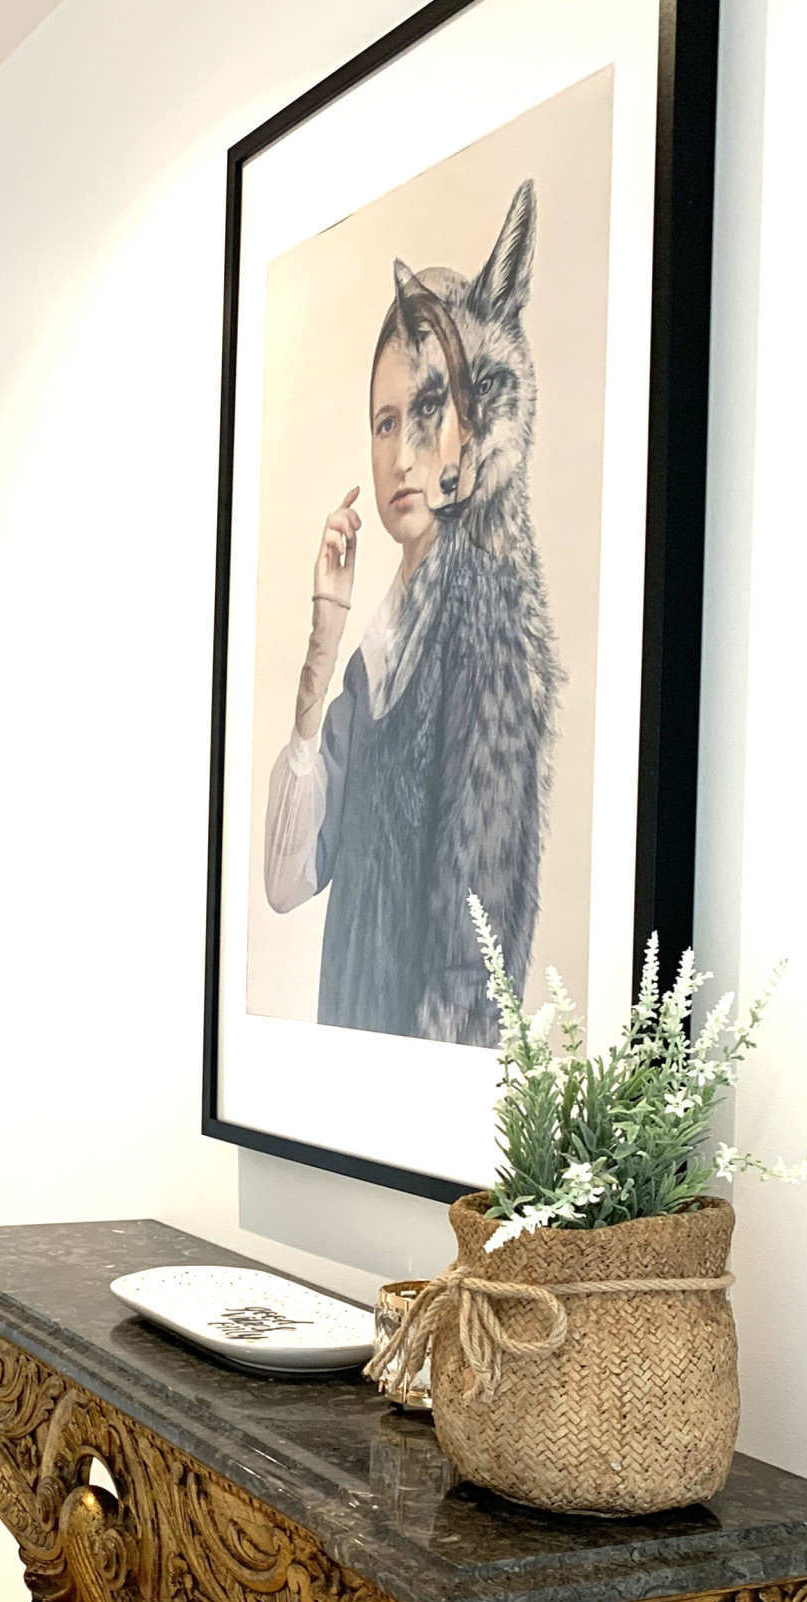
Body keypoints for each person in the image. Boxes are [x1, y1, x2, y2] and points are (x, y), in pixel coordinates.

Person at [261, 258, 556, 1046]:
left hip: (410, 1095)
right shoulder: (374, 655)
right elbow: (288, 880)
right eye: (385, 422)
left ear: (468, 426)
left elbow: (473, 966)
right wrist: (323, 642)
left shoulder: (484, 616)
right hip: (345, 1069)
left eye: (426, 411)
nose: (400, 455)